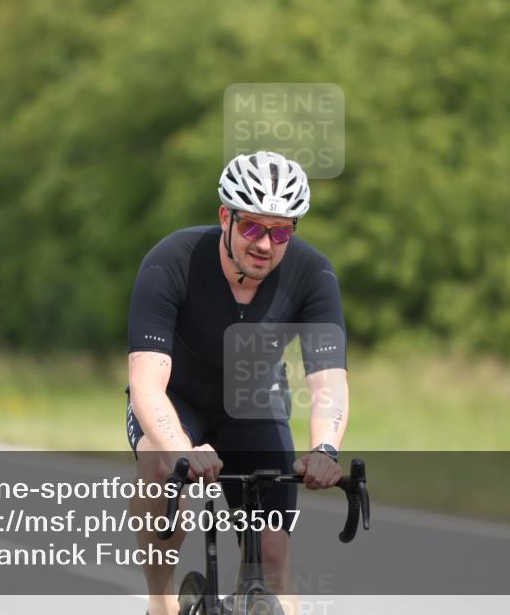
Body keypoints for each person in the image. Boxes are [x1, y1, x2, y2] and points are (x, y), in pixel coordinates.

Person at [126, 151, 349, 615]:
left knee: (272, 555)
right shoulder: (171, 262)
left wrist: (325, 449)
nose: (266, 244)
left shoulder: (313, 274)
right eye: (252, 227)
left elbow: (327, 384)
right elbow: (147, 383)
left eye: (281, 231)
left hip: (253, 402)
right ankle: (161, 602)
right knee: (158, 460)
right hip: (177, 399)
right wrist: (179, 446)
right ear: (225, 217)